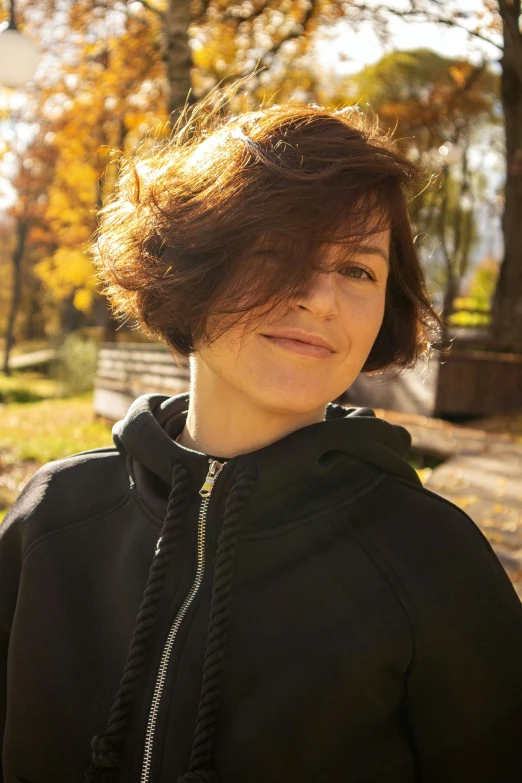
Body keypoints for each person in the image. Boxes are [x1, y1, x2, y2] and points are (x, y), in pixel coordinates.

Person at [1, 88, 522, 783]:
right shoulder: (52, 517)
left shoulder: (433, 557)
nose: (321, 296)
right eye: (279, 250)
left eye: (358, 269)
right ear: (191, 264)